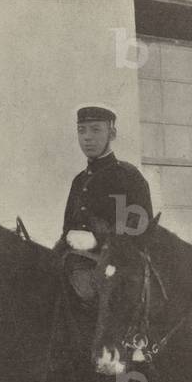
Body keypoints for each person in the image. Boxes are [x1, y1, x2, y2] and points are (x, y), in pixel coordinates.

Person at [59, 104, 154, 300]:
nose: (87, 137)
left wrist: (98, 239)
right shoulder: (79, 180)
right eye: (81, 130)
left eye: (96, 130)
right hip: (75, 262)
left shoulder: (128, 176)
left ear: (112, 133)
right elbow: (67, 228)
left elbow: (140, 230)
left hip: (114, 269)